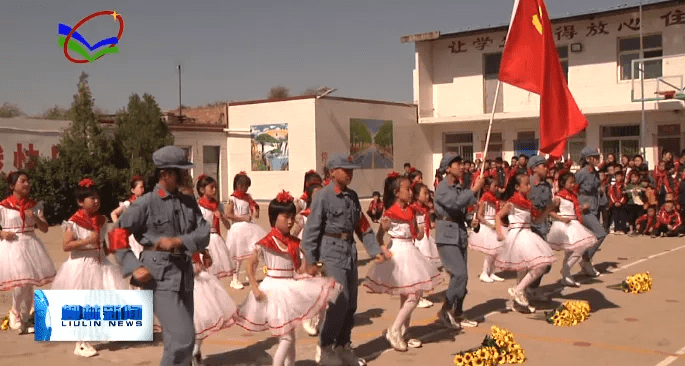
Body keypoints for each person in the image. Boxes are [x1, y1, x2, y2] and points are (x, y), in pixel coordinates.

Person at [109, 146, 211, 366]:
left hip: (184, 275)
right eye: (182, 171)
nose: (187, 175)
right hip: (157, 277)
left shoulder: (189, 202)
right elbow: (116, 234)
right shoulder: (145, 203)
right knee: (185, 337)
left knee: (177, 341)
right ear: (166, 174)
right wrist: (133, 266)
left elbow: (203, 232)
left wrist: (179, 242)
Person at [301, 154, 389, 366]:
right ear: (332, 172)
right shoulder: (323, 196)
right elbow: (311, 231)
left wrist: (374, 249)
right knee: (339, 301)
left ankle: (343, 346)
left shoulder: (352, 196)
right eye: (344, 169)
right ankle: (325, 347)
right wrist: (311, 261)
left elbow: (363, 226)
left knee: (351, 304)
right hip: (331, 252)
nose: (349, 173)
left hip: (349, 251)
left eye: (351, 170)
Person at [236, 191, 342, 366]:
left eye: (292, 216)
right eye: (285, 217)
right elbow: (251, 265)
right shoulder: (266, 242)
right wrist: (254, 287)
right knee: (285, 338)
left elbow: (300, 268)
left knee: (290, 337)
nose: (290, 221)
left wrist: (315, 268)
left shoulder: (294, 243)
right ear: (273, 217)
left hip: (290, 288)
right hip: (273, 290)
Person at [364, 173, 442, 352]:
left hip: (411, 251)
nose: (410, 192)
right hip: (399, 253)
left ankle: (403, 332)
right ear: (396, 192)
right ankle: (394, 329)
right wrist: (384, 250)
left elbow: (416, 235)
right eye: (407, 189)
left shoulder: (411, 210)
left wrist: (422, 230)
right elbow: (378, 238)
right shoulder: (390, 213)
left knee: (408, 295)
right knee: (414, 295)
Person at [52, 178, 129, 357]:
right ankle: (81, 342)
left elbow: (103, 244)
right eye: (91, 198)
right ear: (80, 201)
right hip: (81, 265)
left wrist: (114, 244)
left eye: (97, 198)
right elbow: (66, 245)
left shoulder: (102, 220)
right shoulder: (74, 221)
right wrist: (87, 240)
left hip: (100, 263)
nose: (96, 201)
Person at [434, 152, 485, 329]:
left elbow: (463, 210)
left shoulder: (459, 187)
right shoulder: (442, 187)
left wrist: (472, 220)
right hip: (446, 235)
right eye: (457, 164)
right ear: (448, 168)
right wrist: (474, 190)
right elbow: (455, 204)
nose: (461, 167)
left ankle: (458, 311)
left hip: (459, 233)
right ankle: (445, 309)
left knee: (463, 278)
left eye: (461, 163)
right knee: (459, 274)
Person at [0, 171, 55, 334]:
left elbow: (44, 228)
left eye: (28, 181)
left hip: (30, 243)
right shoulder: (3, 206)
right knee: (21, 281)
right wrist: (2, 233)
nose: (27, 184)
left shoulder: (35, 205)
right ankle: (15, 312)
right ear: (12, 186)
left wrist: (36, 218)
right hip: (12, 245)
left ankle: (25, 318)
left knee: (29, 282)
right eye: (23, 181)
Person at [494, 173, 557, 312]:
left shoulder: (528, 203)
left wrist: (548, 209)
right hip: (518, 235)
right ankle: (518, 290)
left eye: (529, 184)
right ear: (517, 187)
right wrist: (499, 233)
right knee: (539, 265)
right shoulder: (512, 203)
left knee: (524, 268)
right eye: (526, 184)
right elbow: (498, 216)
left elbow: (536, 220)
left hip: (527, 233)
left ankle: (519, 297)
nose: (529, 186)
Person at [547, 173, 597, 287]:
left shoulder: (573, 195)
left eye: (573, 182)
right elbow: (550, 211)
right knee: (577, 248)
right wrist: (561, 218)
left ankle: (566, 274)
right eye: (570, 182)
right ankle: (566, 270)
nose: (573, 184)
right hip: (564, 224)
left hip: (574, 223)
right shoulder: (559, 197)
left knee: (572, 251)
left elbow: (573, 210)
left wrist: (580, 208)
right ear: (563, 183)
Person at [290, 182, 326, 337]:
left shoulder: (327, 215)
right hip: (307, 255)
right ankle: (307, 317)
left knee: (324, 287)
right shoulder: (303, 217)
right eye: (316, 193)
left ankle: (320, 319)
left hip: (323, 254)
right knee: (310, 288)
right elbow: (293, 235)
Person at [190, 249, 236, 365]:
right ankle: (194, 353)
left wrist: (204, 254)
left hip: (195, 273)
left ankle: (195, 353)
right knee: (199, 319)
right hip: (189, 274)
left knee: (199, 320)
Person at [225, 172, 267, 290]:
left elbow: (254, 212)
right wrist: (243, 218)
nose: (246, 189)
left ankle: (251, 274)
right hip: (238, 228)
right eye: (245, 186)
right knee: (238, 255)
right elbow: (228, 214)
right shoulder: (233, 198)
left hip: (249, 227)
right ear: (239, 185)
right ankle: (235, 278)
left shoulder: (248, 198)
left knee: (256, 250)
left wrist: (255, 211)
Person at [525, 155, 554, 302]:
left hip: (542, 225)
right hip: (528, 227)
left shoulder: (547, 186)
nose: (546, 168)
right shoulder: (527, 184)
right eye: (543, 165)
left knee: (546, 263)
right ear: (535, 168)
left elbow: (549, 207)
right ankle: (524, 291)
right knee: (531, 261)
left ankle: (532, 288)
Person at [196, 174, 234, 279]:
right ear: (202, 190)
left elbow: (228, 226)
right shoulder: (198, 206)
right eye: (211, 187)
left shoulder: (218, 205)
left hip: (216, 240)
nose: (214, 190)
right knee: (205, 274)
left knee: (216, 274)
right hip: (205, 241)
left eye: (215, 187)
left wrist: (221, 216)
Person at [575, 147, 606, 277]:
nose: (598, 159)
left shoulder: (595, 173)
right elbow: (572, 189)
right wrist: (579, 205)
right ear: (588, 159)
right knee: (600, 234)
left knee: (590, 236)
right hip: (584, 206)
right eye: (595, 157)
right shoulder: (582, 173)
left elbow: (597, 188)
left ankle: (586, 262)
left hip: (594, 204)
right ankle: (586, 260)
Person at [468, 176, 504, 283]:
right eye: (494, 186)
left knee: (496, 251)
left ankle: (492, 272)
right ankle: (484, 272)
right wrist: (489, 224)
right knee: (491, 251)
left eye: (497, 186)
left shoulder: (495, 199)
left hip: (494, 223)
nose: (496, 188)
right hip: (488, 225)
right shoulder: (485, 199)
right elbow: (479, 215)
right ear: (487, 187)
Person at [411, 182, 441, 309]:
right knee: (419, 269)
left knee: (424, 269)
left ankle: (419, 296)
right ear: (417, 195)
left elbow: (428, 224)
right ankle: (417, 297)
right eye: (425, 193)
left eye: (428, 193)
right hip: (418, 241)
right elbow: (413, 226)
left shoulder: (425, 209)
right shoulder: (413, 209)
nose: (428, 196)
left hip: (426, 240)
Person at [111, 175, 147, 259]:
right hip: (133, 236)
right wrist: (119, 228)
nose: (143, 190)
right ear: (133, 190)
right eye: (140, 187)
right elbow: (113, 213)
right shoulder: (129, 203)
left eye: (143, 187)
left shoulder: (146, 202)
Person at [608, 170, 628, 235]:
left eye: (620, 176)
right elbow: (611, 194)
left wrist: (620, 202)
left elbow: (624, 195)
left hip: (622, 204)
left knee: (622, 216)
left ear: (622, 177)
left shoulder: (624, 186)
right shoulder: (613, 186)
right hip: (615, 204)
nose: (618, 178)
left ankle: (622, 229)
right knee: (616, 216)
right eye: (617, 176)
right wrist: (615, 202)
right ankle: (617, 228)